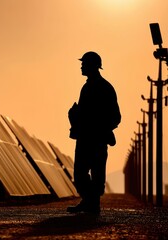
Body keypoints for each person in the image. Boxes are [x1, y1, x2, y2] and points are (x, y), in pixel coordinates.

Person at [67, 51, 121, 215]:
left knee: (96, 174)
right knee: (80, 174)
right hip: (85, 138)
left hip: (96, 139)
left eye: (84, 64)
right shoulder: (87, 87)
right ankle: (89, 202)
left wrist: (101, 128)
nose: (82, 66)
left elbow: (115, 116)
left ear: (92, 66)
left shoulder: (104, 88)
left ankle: (92, 204)